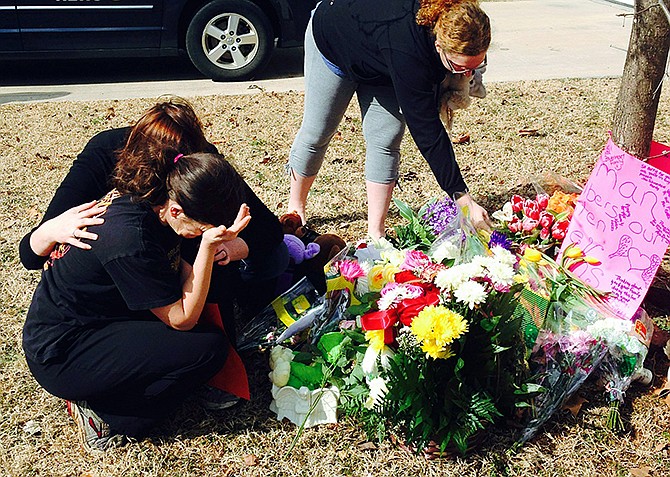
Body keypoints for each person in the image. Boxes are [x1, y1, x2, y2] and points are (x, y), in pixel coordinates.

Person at [23, 150, 251, 452]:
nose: (202, 235)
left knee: (211, 295)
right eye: (201, 229)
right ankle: (106, 416)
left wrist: (218, 245)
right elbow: (182, 319)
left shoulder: (156, 196)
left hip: (99, 317)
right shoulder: (131, 239)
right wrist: (208, 247)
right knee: (207, 350)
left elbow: (182, 269)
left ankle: (112, 383)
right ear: (176, 212)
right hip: (64, 352)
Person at [19, 99, 288, 331]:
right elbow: (30, 255)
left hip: (188, 262)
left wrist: (228, 248)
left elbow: (268, 230)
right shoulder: (105, 154)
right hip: (132, 282)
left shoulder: (201, 164)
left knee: (275, 257)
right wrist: (52, 229)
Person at [287, 0, 493, 239]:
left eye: (475, 67)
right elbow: (427, 131)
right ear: (438, 45)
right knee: (318, 132)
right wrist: (461, 197)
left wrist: (464, 68)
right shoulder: (408, 51)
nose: (467, 75)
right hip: (334, 42)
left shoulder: (463, 28)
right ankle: (295, 207)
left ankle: (376, 233)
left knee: (387, 138)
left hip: (382, 59)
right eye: (459, 67)